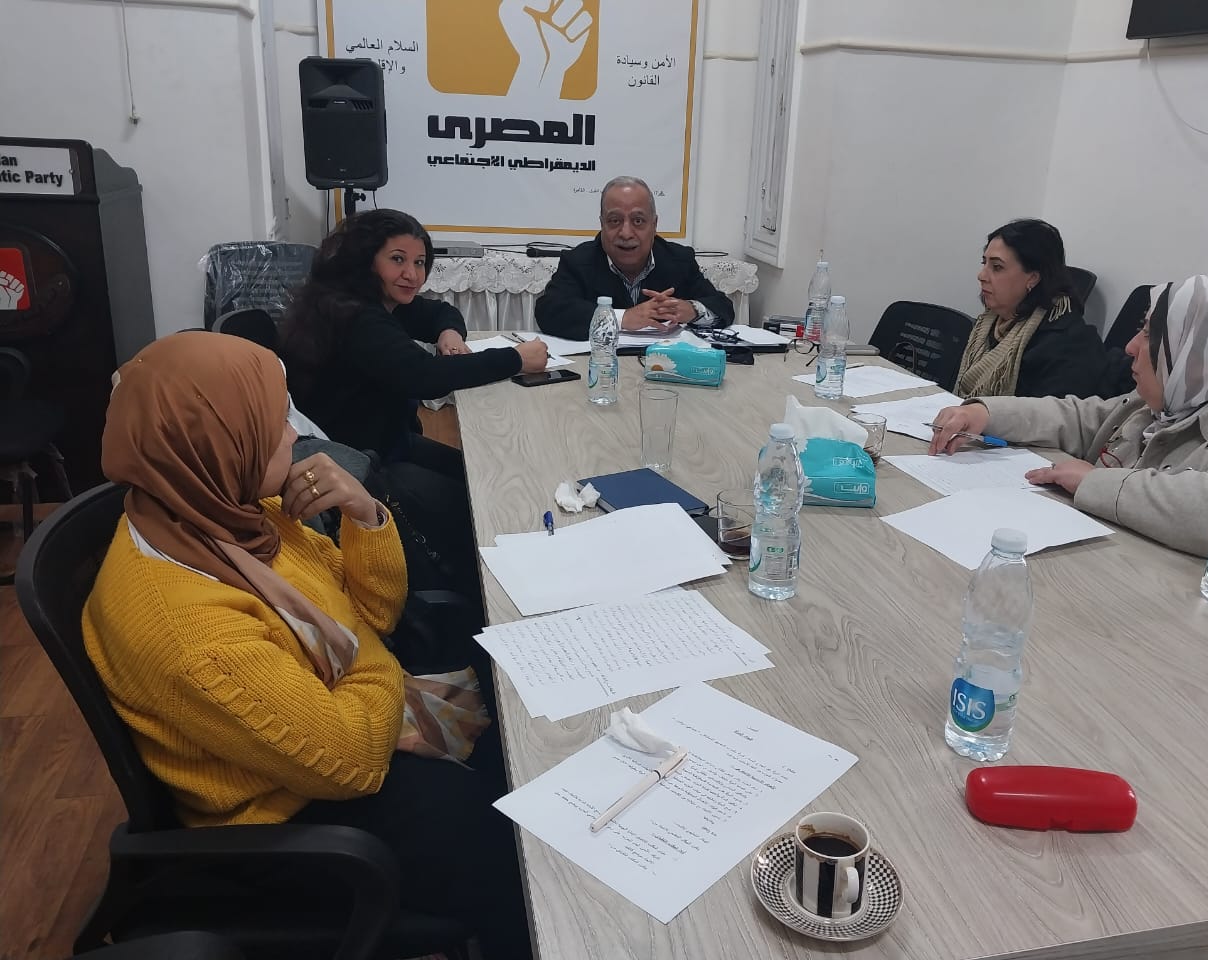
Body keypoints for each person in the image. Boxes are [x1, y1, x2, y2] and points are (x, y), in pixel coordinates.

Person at [83, 332, 532, 959]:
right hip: (287, 815)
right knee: (517, 843)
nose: (295, 435)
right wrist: (373, 657)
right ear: (220, 444)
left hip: (329, 730)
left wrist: (364, 515)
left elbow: (374, 612)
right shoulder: (188, 630)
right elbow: (353, 759)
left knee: (521, 746)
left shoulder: (228, 509)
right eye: (273, 424)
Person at [929, 275, 1208, 557]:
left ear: (1200, 357)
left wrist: (1094, 482)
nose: (1130, 346)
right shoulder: (1163, 404)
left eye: (1149, 335)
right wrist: (985, 413)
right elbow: (1080, 418)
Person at [279, 208, 548, 467]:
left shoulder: (373, 298)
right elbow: (424, 376)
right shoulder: (355, 316)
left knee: (482, 471)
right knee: (482, 485)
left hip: (387, 440)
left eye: (419, 262)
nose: (412, 274)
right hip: (355, 462)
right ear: (366, 260)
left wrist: (449, 332)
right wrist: (516, 359)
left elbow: (441, 312)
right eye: (397, 259)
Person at [534, 175, 735, 340]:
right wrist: (622, 318)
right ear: (602, 224)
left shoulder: (678, 260)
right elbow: (549, 311)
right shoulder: (578, 261)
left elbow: (722, 307)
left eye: (638, 221)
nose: (626, 233)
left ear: (654, 225)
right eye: (614, 221)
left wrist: (692, 310)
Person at [954, 219, 1130, 400]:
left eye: (997, 267)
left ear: (1033, 278)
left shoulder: (1067, 343)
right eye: (984, 263)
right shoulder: (988, 324)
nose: (981, 275)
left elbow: (1048, 415)